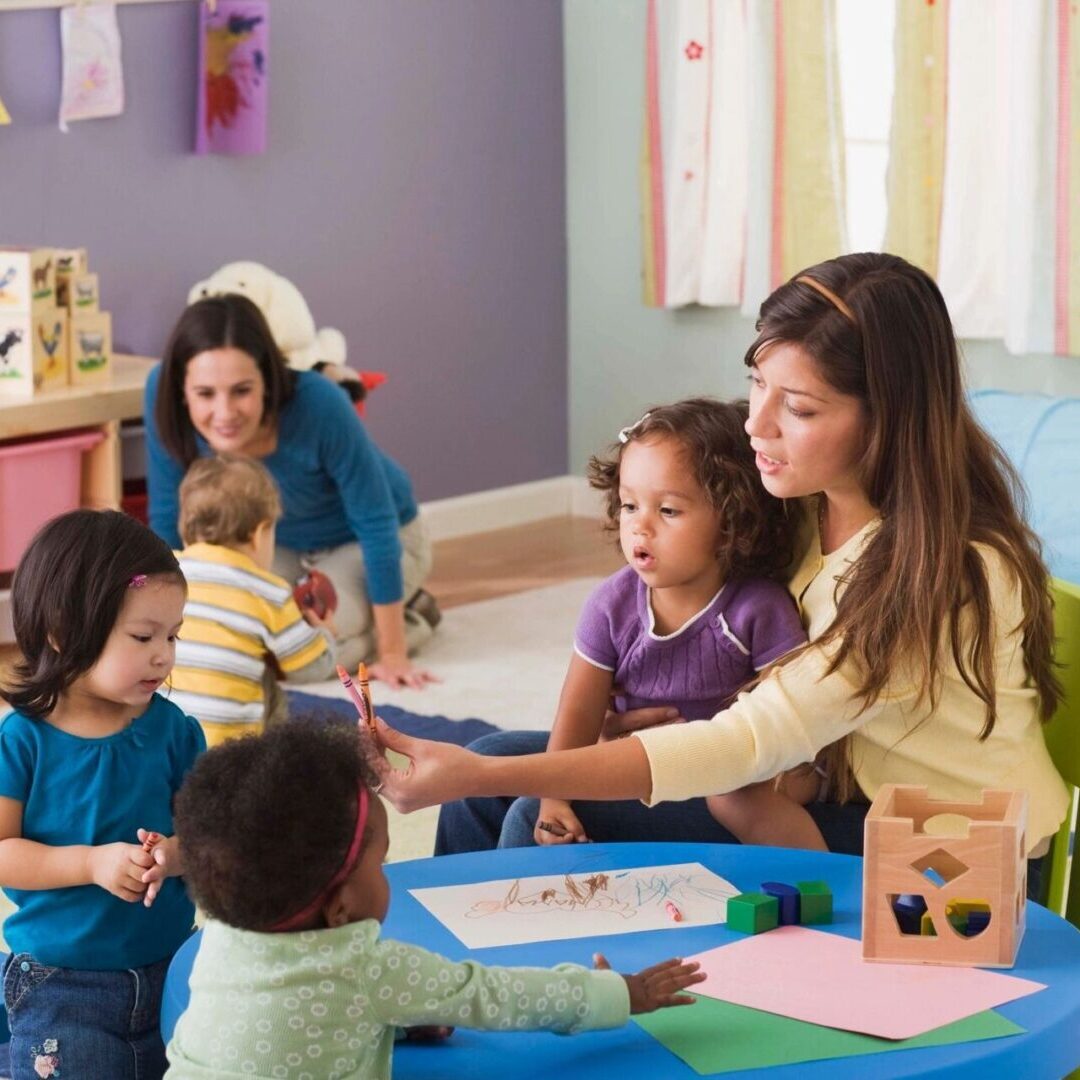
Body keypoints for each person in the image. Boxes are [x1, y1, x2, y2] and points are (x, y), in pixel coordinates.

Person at [374, 252, 1070, 886]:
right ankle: (441, 991)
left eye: (797, 407)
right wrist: (559, 751)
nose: (756, 425)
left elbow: (744, 743)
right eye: (757, 385)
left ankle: (534, 1008)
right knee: (490, 782)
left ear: (886, 419)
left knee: (531, 808)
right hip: (821, 791)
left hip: (939, 859)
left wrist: (487, 772)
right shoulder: (799, 508)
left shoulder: (939, 574)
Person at [164, 722, 706, 1079]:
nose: (388, 876)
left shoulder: (218, 941)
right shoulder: (369, 971)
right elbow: (497, 995)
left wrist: (398, 1021)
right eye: (379, 865)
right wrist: (618, 993)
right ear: (341, 908)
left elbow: (290, 1016)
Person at [508, 398, 830, 854]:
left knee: (733, 797)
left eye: (669, 511)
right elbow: (578, 715)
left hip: (742, 770)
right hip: (647, 761)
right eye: (629, 505)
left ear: (731, 521)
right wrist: (554, 797)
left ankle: (822, 888)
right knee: (492, 759)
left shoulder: (757, 609)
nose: (640, 526)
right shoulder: (611, 606)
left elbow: (798, 717)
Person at [144, 293, 440, 689]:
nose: (225, 412)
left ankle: (411, 621)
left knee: (297, 649)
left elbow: (376, 523)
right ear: (182, 389)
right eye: (205, 394)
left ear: (268, 379)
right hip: (272, 545)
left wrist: (392, 654)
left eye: (242, 390)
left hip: (375, 541)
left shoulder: (319, 402)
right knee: (235, 636)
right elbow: (166, 519)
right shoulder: (159, 395)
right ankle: (386, 613)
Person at [0, 510, 205, 1080]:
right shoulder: (22, 741)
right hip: (63, 983)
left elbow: (215, 827)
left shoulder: (174, 731)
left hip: (175, 966)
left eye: (172, 635)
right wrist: (91, 863)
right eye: (143, 637)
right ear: (64, 632)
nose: (164, 655)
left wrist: (179, 853)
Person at [168, 453, 336, 747]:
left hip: (164, 747)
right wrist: (326, 634)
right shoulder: (268, 591)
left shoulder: (164, 573)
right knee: (269, 685)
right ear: (260, 534)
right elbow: (311, 669)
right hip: (232, 757)